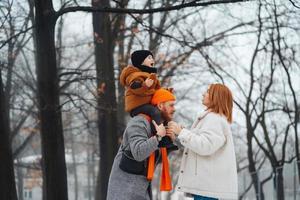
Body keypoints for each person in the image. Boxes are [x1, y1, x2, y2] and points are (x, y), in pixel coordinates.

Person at [167, 83, 238, 200]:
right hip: (208, 188)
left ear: (216, 97)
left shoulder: (215, 119)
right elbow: (202, 142)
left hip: (209, 190)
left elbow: (205, 146)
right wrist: (182, 132)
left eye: (208, 91)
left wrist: (181, 132)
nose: (203, 94)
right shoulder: (212, 118)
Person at [107, 88, 176, 200]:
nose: (174, 109)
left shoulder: (156, 127)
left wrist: (169, 142)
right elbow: (138, 153)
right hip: (124, 191)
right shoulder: (139, 122)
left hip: (141, 190)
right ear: (160, 106)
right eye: (171, 105)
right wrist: (158, 137)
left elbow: (155, 161)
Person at [119, 50, 176, 149]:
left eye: (152, 57)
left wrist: (166, 92)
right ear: (140, 61)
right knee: (155, 111)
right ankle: (159, 137)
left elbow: (156, 90)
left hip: (146, 104)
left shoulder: (150, 75)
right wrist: (144, 85)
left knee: (163, 113)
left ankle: (167, 138)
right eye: (149, 58)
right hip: (137, 106)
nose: (152, 59)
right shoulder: (135, 74)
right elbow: (134, 86)